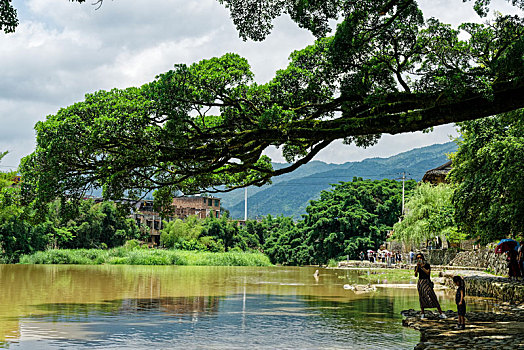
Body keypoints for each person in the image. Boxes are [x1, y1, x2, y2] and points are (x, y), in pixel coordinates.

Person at [414, 253, 447, 319]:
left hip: (427, 281)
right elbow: (415, 275)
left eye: (420, 257)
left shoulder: (426, 265)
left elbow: (428, 273)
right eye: (418, 258)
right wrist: (418, 267)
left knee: (432, 295)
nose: (419, 259)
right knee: (422, 297)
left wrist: (422, 267)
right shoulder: (417, 266)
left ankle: (441, 313)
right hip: (420, 282)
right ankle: (423, 313)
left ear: (422, 258)